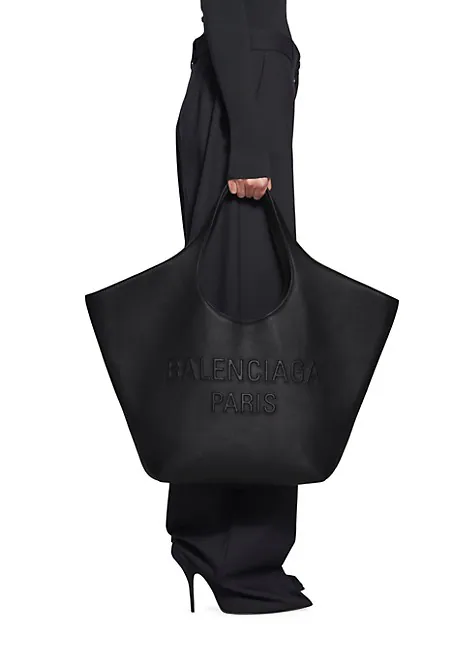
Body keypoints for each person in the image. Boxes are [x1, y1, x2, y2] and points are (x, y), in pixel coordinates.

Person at [166, 0, 311, 614]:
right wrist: (249, 142)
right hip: (239, 111)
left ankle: (210, 535)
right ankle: (236, 553)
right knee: (249, 332)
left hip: (246, 99)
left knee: (242, 324)